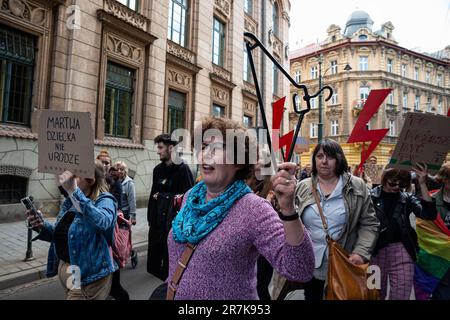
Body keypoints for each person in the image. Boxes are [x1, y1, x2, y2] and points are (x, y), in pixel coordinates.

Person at [166, 117, 314, 300]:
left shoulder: (254, 209)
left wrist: (289, 210)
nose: (205, 154)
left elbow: (299, 269)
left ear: (239, 161)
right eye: (203, 146)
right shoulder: (191, 197)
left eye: (217, 148)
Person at [290, 139, 379, 300]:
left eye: (330, 156)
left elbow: (369, 224)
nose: (324, 161)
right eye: (320, 156)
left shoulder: (358, 186)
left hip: (344, 261)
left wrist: (361, 252)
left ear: (339, 159)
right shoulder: (303, 186)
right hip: (311, 264)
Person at [26, 160, 117, 300]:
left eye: (73, 175)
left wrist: (74, 191)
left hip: (89, 278)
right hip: (71, 272)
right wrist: (41, 225)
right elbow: (64, 235)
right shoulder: (70, 201)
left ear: (90, 180)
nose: (66, 177)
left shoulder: (105, 200)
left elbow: (102, 222)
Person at [370, 165, 437, 300]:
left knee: (401, 295)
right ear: (384, 179)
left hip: (402, 252)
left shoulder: (407, 198)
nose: (397, 187)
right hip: (374, 253)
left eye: (402, 183)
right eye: (393, 182)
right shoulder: (370, 196)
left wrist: (423, 184)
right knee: (373, 294)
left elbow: (429, 214)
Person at [147, 134, 194, 280]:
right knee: (152, 267)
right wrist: (151, 220)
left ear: (171, 148)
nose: (158, 151)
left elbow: (188, 201)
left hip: (173, 228)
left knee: (170, 269)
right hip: (156, 227)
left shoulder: (183, 170)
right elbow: (152, 197)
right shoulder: (157, 170)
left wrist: (162, 197)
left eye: (161, 147)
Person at [96, 151, 129, 300]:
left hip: (110, 234)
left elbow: (117, 208)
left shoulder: (114, 182)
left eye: (107, 162)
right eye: (102, 162)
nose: (104, 165)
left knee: (115, 285)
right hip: (95, 238)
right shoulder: (90, 180)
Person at [414, 162, 450, 300]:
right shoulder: (431, 199)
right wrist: (422, 183)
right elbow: (425, 225)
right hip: (437, 262)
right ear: (444, 179)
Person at [246, 151, 278, 300]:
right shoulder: (247, 182)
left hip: (264, 248)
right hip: (246, 243)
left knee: (260, 286)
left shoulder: (272, 187)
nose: (256, 161)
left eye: (259, 159)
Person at [115, 161, 138, 268]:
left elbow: (132, 201)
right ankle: (119, 256)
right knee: (117, 237)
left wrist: (133, 216)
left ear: (126, 171)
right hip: (115, 214)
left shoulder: (129, 183)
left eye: (122, 169)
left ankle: (132, 253)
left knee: (125, 238)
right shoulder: (114, 182)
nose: (119, 171)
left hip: (125, 215)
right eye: (117, 169)